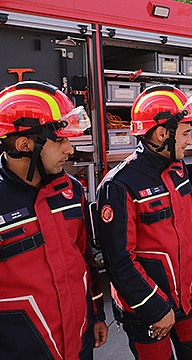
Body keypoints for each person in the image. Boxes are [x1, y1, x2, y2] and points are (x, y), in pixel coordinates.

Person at [96, 85, 192, 360]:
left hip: (187, 298)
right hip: (145, 310)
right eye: (185, 133)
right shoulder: (119, 185)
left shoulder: (178, 169)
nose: (190, 141)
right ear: (163, 134)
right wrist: (155, 308)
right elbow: (119, 261)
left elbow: (190, 224)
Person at [0, 81, 107, 359]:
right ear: (25, 144)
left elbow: (84, 257)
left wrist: (96, 313)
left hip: (79, 342)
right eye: (60, 139)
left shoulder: (71, 191)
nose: (70, 149)